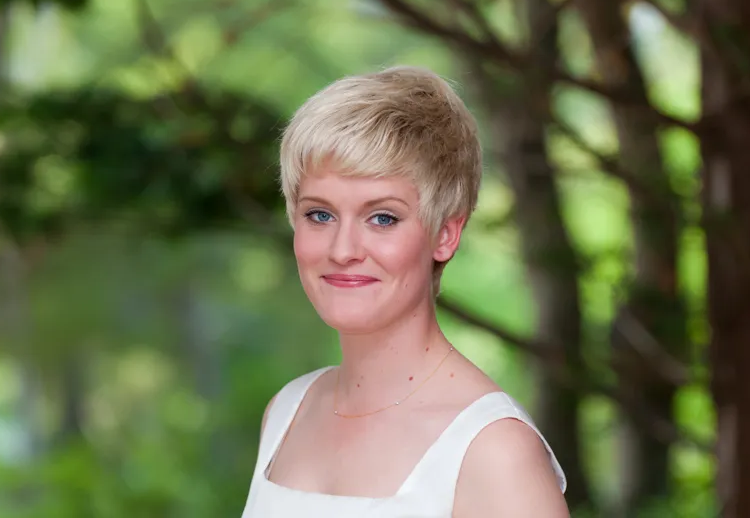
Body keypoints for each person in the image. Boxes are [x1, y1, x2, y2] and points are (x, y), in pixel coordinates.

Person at [240, 66, 569, 517]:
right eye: (320, 214)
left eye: (382, 218)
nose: (343, 250)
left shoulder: (494, 453)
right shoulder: (287, 413)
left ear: (445, 235)